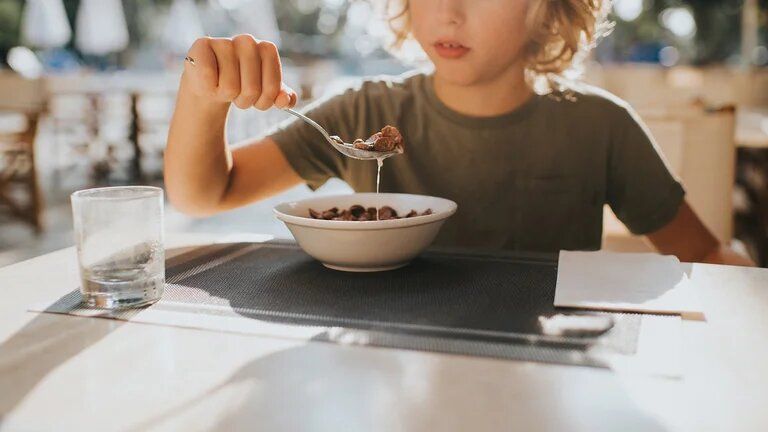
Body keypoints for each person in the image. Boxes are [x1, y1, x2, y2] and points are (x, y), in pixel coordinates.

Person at [164, 0, 754, 266]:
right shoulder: (363, 113)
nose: (448, 10)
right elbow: (205, 195)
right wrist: (201, 95)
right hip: (387, 361)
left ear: (548, 10)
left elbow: (702, 253)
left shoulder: (600, 127)